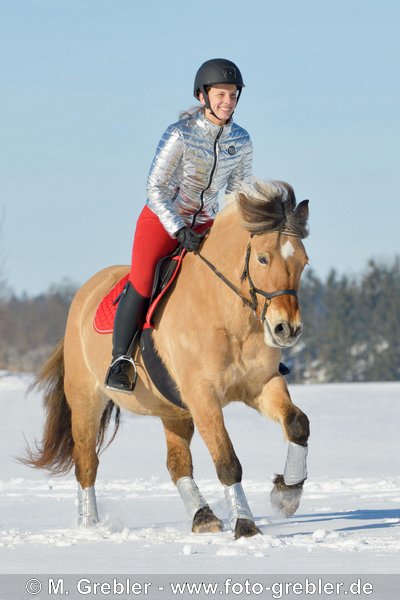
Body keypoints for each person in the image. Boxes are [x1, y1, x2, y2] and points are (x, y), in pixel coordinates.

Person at [105, 58, 253, 392]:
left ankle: (253, 355)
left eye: (232, 94)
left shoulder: (241, 140)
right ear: (203, 96)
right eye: (220, 94)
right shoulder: (179, 135)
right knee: (143, 282)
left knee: (241, 277)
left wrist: (241, 227)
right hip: (161, 220)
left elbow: (239, 191)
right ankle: (120, 360)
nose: (227, 101)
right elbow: (154, 189)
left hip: (206, 224)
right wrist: (178, 228)